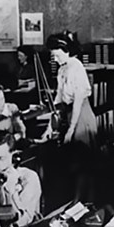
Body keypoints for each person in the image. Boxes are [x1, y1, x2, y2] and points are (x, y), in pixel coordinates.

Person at [43, 32, 97, 201]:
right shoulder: (62, 70)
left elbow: (79, 99)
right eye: (53, 56)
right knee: (74, 161)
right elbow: (58, 100)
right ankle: (76, 200)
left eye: (57, 55)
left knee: (84, 161)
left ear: (65, 50)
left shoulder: (76, 66)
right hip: (69, 113)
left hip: (81, 115)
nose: (56, 59)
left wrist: (71, 129)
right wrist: (49, 127)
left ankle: (86, 201)